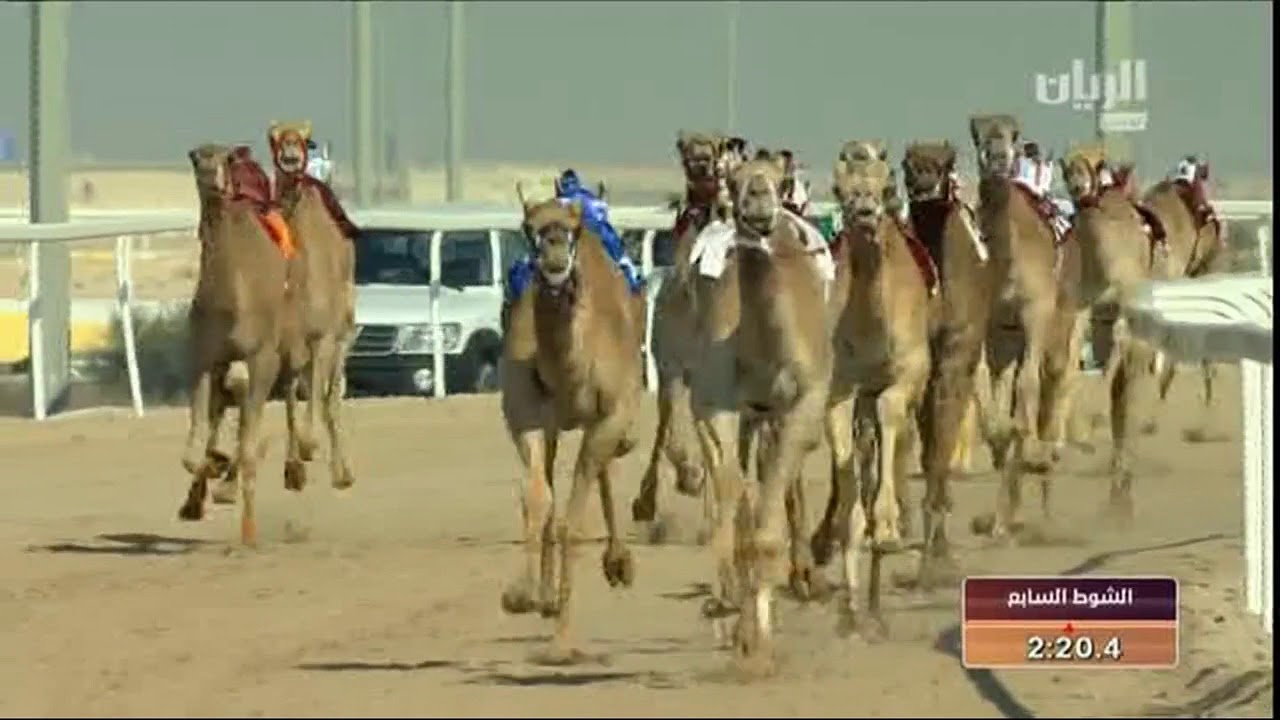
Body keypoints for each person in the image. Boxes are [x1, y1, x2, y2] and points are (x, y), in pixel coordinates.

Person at [504, 169, 643, 305]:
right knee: (620, 257)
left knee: (528, 261)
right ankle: (633, 281)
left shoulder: (558, 203)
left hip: (574, 237)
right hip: (594, 235)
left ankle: (514, 294)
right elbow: (603, 219)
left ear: (560, 186)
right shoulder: (591, 200)